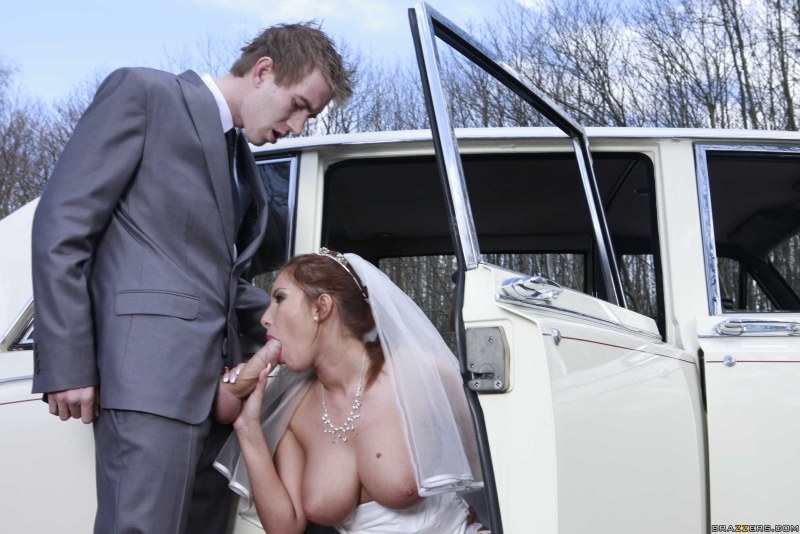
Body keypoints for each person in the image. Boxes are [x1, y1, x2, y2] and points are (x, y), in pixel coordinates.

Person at [30, 23, 353, 534]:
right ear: (263, 71)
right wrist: (68, 363)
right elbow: (61, 230)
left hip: (219, 398)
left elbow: (216, 284)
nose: (297, 127)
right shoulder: (144, 94)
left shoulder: (241, 158)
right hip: (147, 383)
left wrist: (325, 323)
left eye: (308, 116)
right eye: (298, 106)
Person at [213, 249, 485, 534]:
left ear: (321, 307)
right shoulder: (295, 409)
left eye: (279, 298)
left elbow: (497, 472)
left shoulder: (415, 372)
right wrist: (248, 428)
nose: (265, 319)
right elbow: (285, 528)